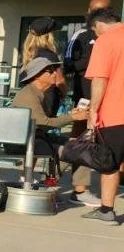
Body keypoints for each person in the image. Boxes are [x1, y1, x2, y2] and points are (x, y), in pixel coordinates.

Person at [10, 56, 89, 186]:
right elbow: (44, 123)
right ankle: (77, 190)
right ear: (37, 75)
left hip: (32, 138)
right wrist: (73, 117)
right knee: (79, 150)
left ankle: (51, 180)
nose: (55, 73)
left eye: (55, 70)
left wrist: (71, 115)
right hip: (25, 142)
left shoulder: (36, 92)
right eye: (50, 71)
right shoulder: (30, 95)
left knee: (79, 144)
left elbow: (43, 124)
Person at [84, 9, 124, 223]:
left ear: (98, 25)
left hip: (114, 114)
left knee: (110, 164)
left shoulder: (105, 41)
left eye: (94, 31)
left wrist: (93, 110)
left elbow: (100, 79)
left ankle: (106, 210)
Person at [65, 0, 112, 108]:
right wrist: (91, 60)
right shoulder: (81, 35)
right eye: (95, 11)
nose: (98, 15)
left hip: (111, 96)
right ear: (89, 11)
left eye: (102, 11)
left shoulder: (117, 35)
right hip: (85, 96)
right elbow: (68, 65)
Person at [21, 16, 64, 117]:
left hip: (31, 99)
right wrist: (64, 94)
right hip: (47, 100)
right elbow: (59, 81)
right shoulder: (49, 56)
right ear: (49, 36)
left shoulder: (28, 55)